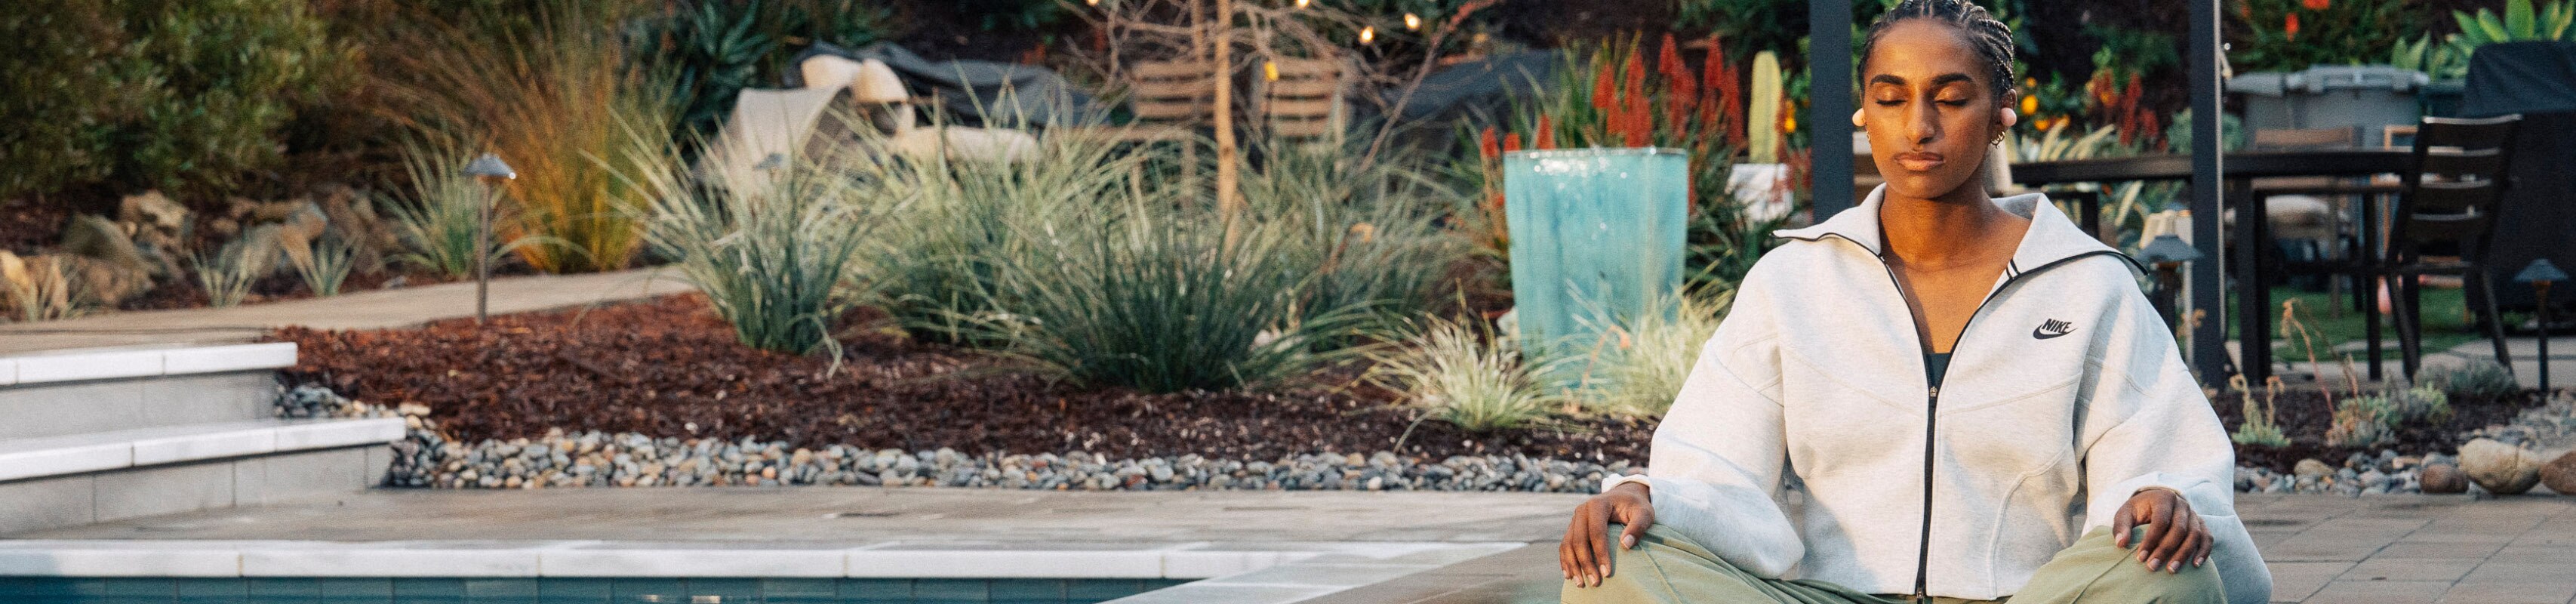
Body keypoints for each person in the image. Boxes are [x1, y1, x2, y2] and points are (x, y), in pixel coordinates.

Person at [1556, 2, 2271, 602]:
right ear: (1865, 112)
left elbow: (2163, 463)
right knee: (1613, 564)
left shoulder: (2086, 285)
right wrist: (1650, 495)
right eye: (1891, 99)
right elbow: (1715, 464)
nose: (1918, 125)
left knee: (2165, 574)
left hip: (2029, 598)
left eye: (1952, 99)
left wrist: (2157, 499)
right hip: (1835, 598)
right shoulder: (1793, 282)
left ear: (2000, 115)